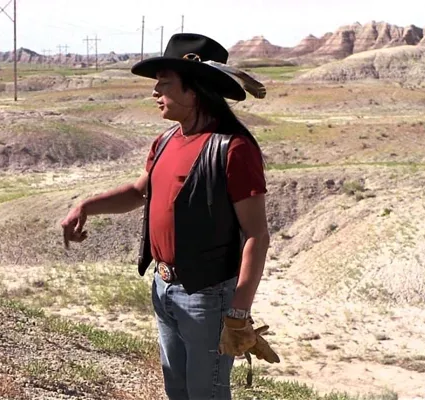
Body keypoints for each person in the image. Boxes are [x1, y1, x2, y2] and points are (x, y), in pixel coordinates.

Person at [60, 33, 280, 400]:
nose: (155, 92)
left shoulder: (233, 148)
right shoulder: (165, 141)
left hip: (208, 296)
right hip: (164, 289)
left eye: (164, 82)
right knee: (177, 390)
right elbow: (139, 191)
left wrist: (239, 312)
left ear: (194, 90)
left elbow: (257, 234)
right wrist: (86, 206)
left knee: (206, 393)